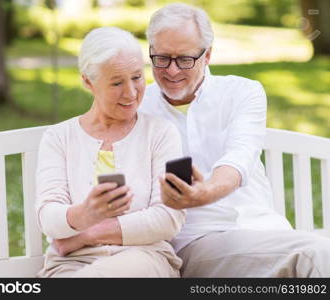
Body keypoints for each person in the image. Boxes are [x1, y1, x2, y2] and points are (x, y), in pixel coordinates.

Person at [139, 3, 330, 277]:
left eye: (184, 59)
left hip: (267, 232)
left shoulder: (242, 92)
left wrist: (205, 192)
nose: (171, 70)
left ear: (207, 56)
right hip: (198, 240)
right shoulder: (138, 107)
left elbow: (238, 159)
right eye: (161, 58)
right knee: (318, 255)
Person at [35, 26, 185, 278]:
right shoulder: (57, 137)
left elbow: (171, 216)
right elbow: (47, 216)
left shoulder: (164, 133)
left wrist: (85, 235)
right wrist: (83, 214)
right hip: (70, 263)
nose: (131, 92)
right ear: (88, 82)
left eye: (137, 77)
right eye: (117, 82)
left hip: (144, 259)